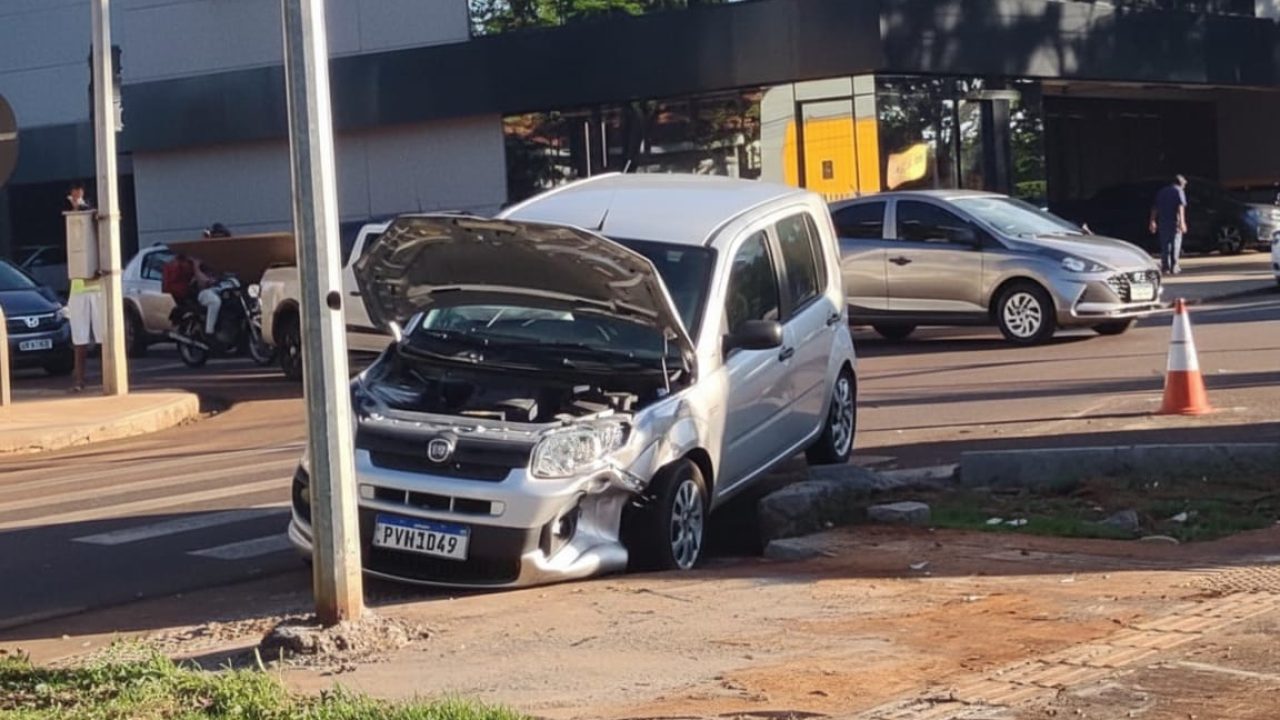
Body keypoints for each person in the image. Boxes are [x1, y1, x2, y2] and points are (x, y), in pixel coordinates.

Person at [67, 272, 104, 393]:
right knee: (79, 338)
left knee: (105, 337)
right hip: (78, 290)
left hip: (100, 289)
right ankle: (79, 380)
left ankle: (109, 378)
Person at [1149, 175, 1188, 275]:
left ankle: (1165, 266)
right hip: (1175, 221)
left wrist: (1152, 221)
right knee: (1176, 244)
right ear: (1181, 183)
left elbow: (1155, 207)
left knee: (1165, 245)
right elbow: (1180, 207)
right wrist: (1182, 222)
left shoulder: (1161, 192)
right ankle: (1174, 266)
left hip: (1162, 221)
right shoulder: (1179, 191)